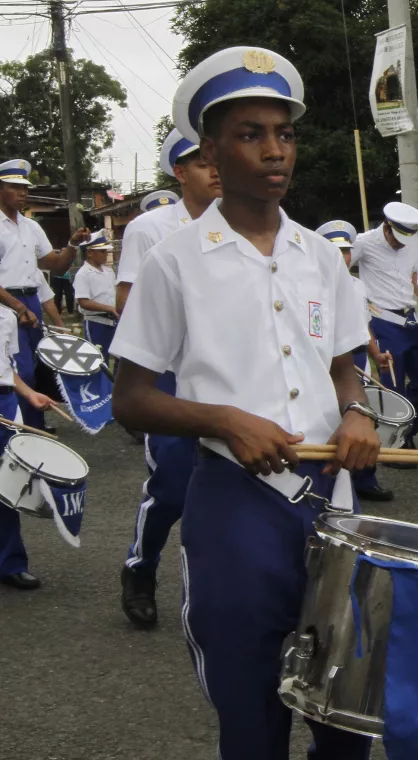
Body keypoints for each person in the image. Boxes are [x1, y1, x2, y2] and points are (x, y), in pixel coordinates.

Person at [110, 46, 377, 759]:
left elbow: (344, 367)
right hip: (236, 498)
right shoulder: (176, 259)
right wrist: (220, 418)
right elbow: (130, 399)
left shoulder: (322, 255)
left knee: (344, 708)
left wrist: (357, 413)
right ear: (211, 151)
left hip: (331, 500)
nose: (273, 150)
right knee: (253, 711)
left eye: (283, 133)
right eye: (249, 134)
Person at [115, 127, 221, 630]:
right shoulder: (151, 229)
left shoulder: (241, 223)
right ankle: (141, 567)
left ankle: (221, 589)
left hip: (229, 379)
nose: (215, 169)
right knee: (172, 489)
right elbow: (126, 304)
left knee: (234, 486)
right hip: (169, 377)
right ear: (180, 172)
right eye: (202, 163)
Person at [0, 158, 90, 430]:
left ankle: (34, 426)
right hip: (6, 304)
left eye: (25, 188)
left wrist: (73, 244)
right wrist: (17, 307)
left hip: (30, 300)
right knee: (17, 371)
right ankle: (20, 429)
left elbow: (55, 264)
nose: (23, 193)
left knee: (38, 369)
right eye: (15, 187)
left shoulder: (32, 226)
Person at [316, 219, 395, 502]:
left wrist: (375, 353)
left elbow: (364, 326)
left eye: (347, 250)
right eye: (336, 251)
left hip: (359, 357)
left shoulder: (358, 286)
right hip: (330, 362)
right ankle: (329, 480)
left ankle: (364, 478)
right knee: (332, 420)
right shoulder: (313, 285)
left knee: (363, 417)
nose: (343, 257)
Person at [352, 201, 418, 458]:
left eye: (406, 238)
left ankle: (404, 434)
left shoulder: (412, 242)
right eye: (397, 238)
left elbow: (415, 278)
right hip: (383, 321)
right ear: (386, 227)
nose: (401, 243)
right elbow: (340, 266)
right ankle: (392, 447)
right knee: (392, 388)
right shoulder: (364, 242)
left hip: (411, 320)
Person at [0, 304, 60, 590]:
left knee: (6, 486)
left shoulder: (6, 316)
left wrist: (29, 393)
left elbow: (7, 368)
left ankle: (10, 563)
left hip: (5, 402)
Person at [74, 230, 118, 358]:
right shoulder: (83, 274)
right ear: (89, 253)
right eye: (102, 252)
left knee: (119, 359)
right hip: (96, 322)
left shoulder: (109, 271)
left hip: (113, 321)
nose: (106, 255)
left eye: (106, 251)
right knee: (98, 358)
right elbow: (83, 302)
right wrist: (110, 308)